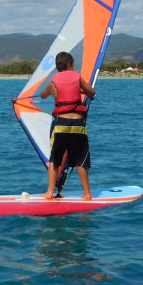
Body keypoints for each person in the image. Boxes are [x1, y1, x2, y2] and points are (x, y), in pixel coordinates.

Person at [39, 51, 96, 200]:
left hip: (61, 124)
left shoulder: (53, 82)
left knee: (55, 159)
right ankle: (87, 193)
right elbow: (91, 91)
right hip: (78, 124)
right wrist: (80, 89)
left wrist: (50, 93)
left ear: (58, 66)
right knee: (81, 159)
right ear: (70, 65)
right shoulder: (77, 78)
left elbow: (43, 95)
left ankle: (50, 193)